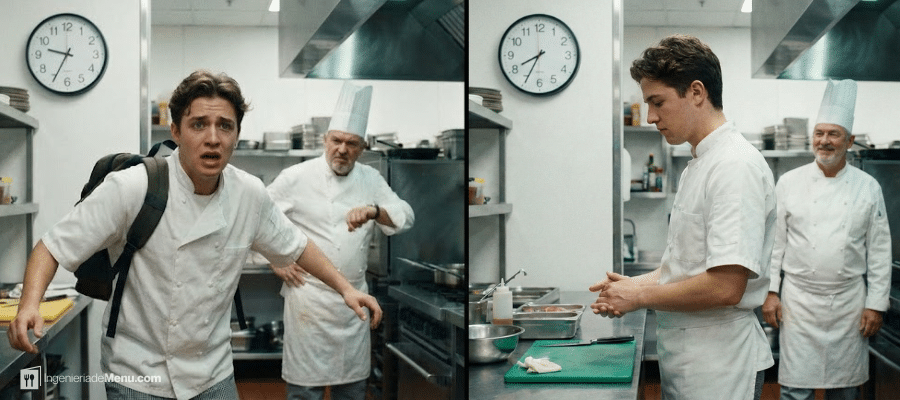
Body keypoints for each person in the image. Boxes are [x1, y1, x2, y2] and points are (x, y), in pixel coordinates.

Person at [6, 70, 382, 400]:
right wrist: (29, 305)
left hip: (212, 370)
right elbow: (52, 246)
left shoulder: (249, 194)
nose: (213, 138)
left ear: (236, 134)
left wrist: (346, 289)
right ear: (176, 131)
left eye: (225, 126)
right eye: (199, 124)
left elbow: (297, 247)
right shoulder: (134, 187)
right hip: (139, 370)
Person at [589, 34, 776, 400]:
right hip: (693, 363)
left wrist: (640, 298)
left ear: (695, 92)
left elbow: (725, 286)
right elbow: (685, 265)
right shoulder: (699, 163)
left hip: (721, 369)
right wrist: (632, 285)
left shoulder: (734, 166)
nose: (651, 117)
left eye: (657, 102)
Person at [260, 81, 414, 400]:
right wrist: (276, 260)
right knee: (305, 391)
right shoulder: (297, 177)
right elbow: (256, 217)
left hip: (354, 300)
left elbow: (406, 215)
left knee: (352, 389)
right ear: (325, 140)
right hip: (310, 300)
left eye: (351, 143)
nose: (342, 149)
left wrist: (374, 210)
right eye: (337, 140)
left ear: (362, 147)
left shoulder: (370, 179)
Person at [762, 79, 891, 400]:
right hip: (799, 303)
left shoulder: (868, 187)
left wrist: (876, 305)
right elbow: (774, 244)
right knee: (794, 389)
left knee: (846, 390)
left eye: (833, 134)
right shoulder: (789, 182)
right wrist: (770, 292)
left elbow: (878, 250)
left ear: (849, 141)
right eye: (819, 133)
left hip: (848, 304)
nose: (825, 141)